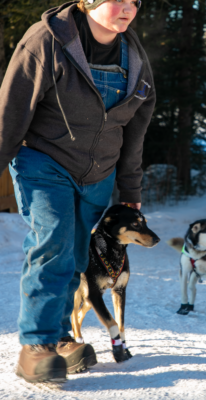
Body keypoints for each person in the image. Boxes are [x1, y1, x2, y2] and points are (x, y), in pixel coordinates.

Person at [0, 0, 154, 383]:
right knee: (52, 244)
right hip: (44, 161)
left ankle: (60, 337)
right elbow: (10, 111)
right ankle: (36, 347)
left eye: (136, 1)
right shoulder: (48, 41)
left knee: (76, 255)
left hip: (98, 174)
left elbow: (135, 130)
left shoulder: (133, 56)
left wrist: (130, 186)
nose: (130, 8)